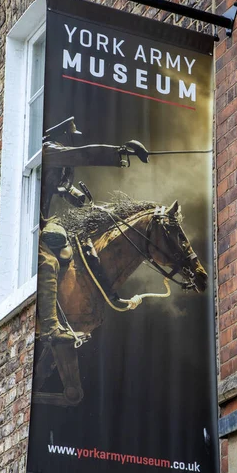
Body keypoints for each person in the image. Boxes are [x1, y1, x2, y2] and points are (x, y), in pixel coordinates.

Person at [37, 117, 149, 344]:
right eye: (71, 138)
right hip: (33, 225)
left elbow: (60, 187)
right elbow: (83, 154)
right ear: (63, 137)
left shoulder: (59, 159)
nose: (74, 142)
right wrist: (121, 151)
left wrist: (75, 196)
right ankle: (50, 327)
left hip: (48, 220)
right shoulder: (50, 150)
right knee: (47, 262)